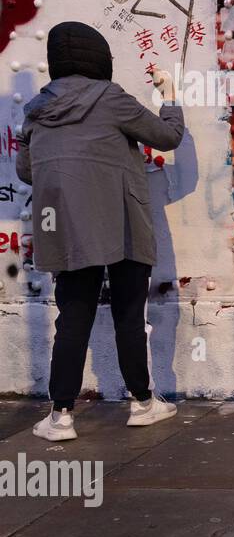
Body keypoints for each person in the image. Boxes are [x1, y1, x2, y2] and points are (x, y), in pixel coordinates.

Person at [15, 22, 185, 441]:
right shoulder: (111, 99)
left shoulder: (37, 109)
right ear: (100, 59)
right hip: (123, 223)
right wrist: (169, 95)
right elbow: (167, 137)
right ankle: (144, 404)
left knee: (72, 319)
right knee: (129, 315)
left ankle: (60, 417)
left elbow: (26, 171)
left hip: (67, 227)